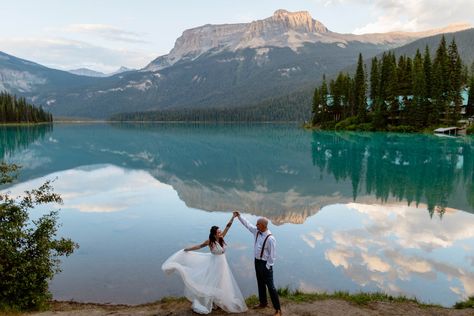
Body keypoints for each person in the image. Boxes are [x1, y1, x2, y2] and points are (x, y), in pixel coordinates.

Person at [161, 213, 248, 314]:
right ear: (214, 233)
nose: (220, 233)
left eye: (220, 231)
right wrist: (188, 249)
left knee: (221, 282)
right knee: (213, 282)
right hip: (214, 264)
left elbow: (227, 227)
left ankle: (218, 301)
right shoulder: (210, 241)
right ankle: (213, 302)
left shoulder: (221, 238)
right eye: (218, 232)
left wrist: (233, 217)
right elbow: (199, 246)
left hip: (222, 264)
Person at [233, 211, 282, 316]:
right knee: (260, 283)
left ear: (263, 226)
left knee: (271, 287)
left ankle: (278, 310)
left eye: (258, 224)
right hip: (257, 262)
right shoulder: (256, 231)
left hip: (265, 264)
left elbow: (272, 256)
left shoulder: (270, 239)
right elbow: (247, 225)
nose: (256, 225)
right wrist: (239, 216)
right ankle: (263, 303)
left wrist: (267, 267)